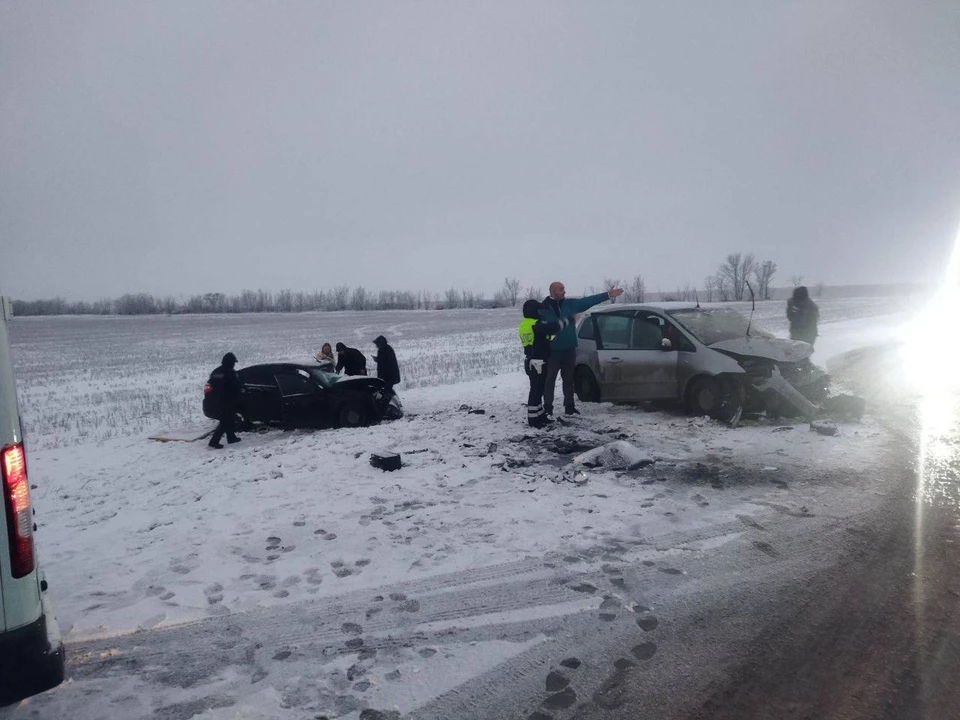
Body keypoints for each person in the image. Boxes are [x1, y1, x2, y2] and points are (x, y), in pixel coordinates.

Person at [540, 282, 624, 416]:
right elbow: (542, 328)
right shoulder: (544, 308)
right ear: (553, 291)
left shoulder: (570, 304)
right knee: (549, 380)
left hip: (569, 350)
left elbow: (588, 301)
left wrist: (607, 295)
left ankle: (569, 406)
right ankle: (548, 408)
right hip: (552, 352)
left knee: (569, 379)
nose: (564, 291)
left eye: (564, 289)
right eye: (561, 289)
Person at [518, 299, 567, 428]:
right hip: (538, 362)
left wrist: (549, 339)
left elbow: (540, 339)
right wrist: (568, 320)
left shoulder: (525, 324)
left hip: (532, 360)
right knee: (536, 391)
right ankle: (533, 420)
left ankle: (540, 416)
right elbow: (555, 327)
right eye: (539, 310)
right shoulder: (537, 325)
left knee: (538, 390)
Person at [208, 352, 242, 449]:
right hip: (227, 400)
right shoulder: (229, 372)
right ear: (230, 362)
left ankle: (231, 437)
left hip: (216, 400)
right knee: (225, 421)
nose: (234, 364)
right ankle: (214, 441)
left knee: (229, 418)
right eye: (233, 362)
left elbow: (211, 384)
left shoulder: (216, 371)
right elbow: (235, 385)